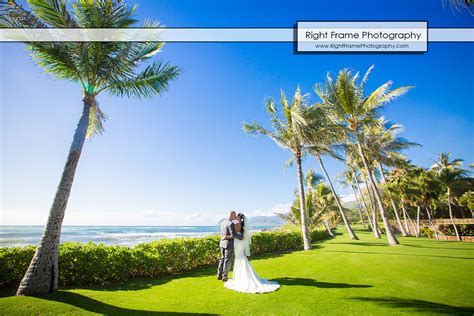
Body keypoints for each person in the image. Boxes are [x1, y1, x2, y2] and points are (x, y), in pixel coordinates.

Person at [222, 212, 280, 293]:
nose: (235, 217)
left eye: (236, 216)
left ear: (239, 218)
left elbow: (235, 234)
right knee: (240, 257)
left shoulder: (237, 224)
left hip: (238, 242)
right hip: (240, 243)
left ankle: (242, 278)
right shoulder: (241, 224)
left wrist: (226, 236)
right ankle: (242, 277)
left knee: (239, 258)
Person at [217, 211, 243, 281]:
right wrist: (241, 237)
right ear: (231, 215)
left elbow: (223, 233)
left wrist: (224, 237)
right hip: (228, 243)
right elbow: (233, 235)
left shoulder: (222, 222)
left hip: (222, 243)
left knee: (222, 259)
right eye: (234, 216)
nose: (235, 217)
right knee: (227, 260)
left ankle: (219, 275)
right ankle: (225, 277)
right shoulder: (231, 223)